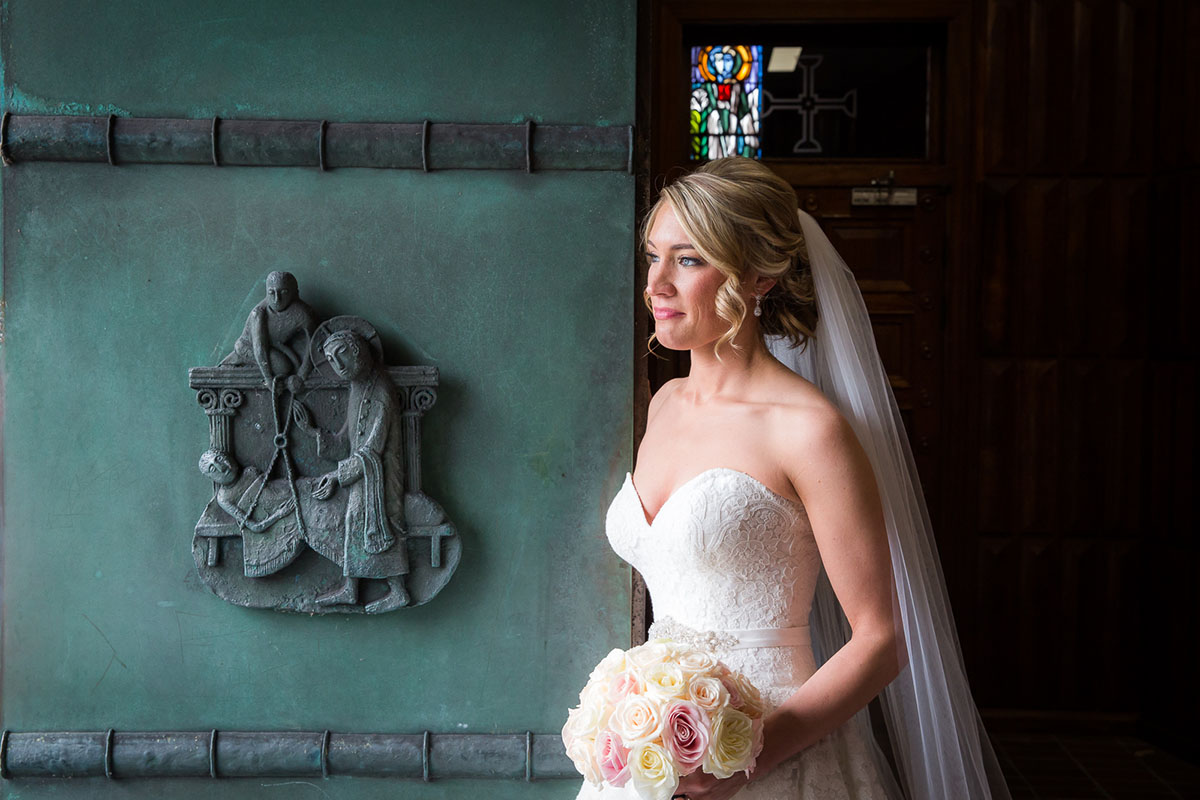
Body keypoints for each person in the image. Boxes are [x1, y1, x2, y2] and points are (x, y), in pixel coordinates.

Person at [575, 158, 1010, 799]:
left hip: (772, 745)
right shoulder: (663, 405)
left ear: (757, 277)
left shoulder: (808, 429)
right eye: (653, 256)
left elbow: (881, 641)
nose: (656, 284)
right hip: (656, 750)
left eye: (688, 260)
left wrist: (747, 761)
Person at [310, 329, 410, 613]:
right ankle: (351, 588)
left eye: (341, 354)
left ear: (357, 351)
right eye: (330, 359)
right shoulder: (357, 387)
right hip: (361, 474)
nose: (337, 364)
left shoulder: (381, 390)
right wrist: (314, 433)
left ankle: (399, 590)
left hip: (379, 476)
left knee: (381, 525)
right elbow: (347, 440)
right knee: (353, 522)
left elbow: (371, 447)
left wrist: (336, 475)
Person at [220, 270, 317, 386]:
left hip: (276, 346)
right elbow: (259, 348)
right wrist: (269, 379)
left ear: (294, 293)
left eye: (284, 292)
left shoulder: (303, 313)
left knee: (290, 364)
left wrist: (302, 375)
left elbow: (314, 343)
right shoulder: (259, 313)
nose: (277, 299)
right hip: (247, 347)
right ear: (267, 293)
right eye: (272, 293)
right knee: (283, 367)